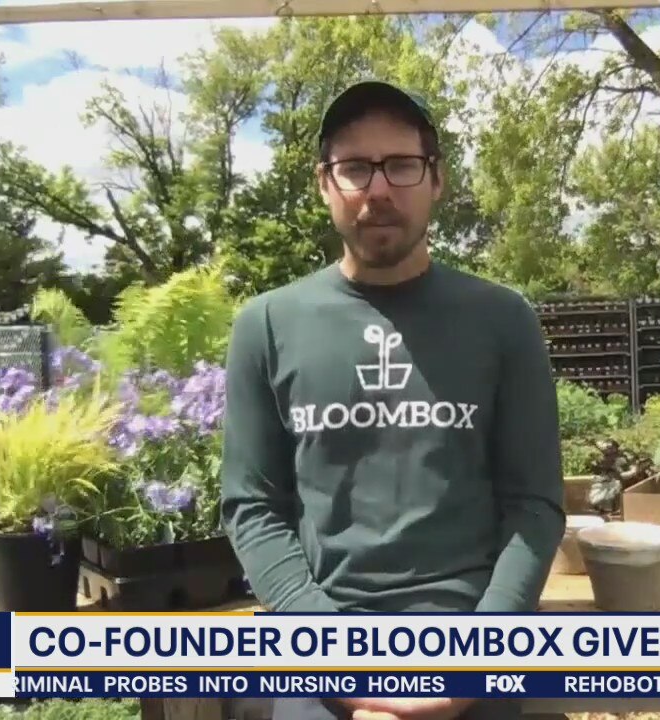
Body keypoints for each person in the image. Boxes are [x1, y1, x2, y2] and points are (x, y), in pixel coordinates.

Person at [220, 80, 567, 720]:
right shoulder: (266, 325)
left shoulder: (502, 320)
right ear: (324, 183)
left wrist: (478, 660)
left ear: (436, 179)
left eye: (402, 165)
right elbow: (252, 508)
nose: (378, 189)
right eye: (355, 167)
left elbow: (536, 505)